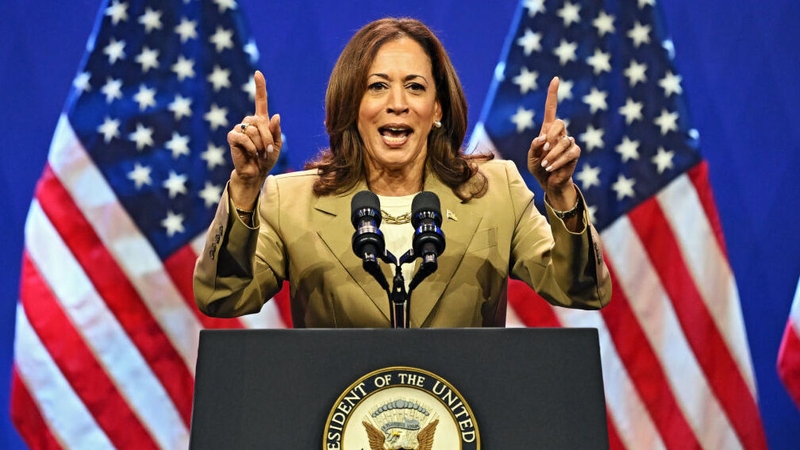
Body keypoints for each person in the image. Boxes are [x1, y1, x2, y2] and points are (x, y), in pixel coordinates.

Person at [193, 17, 611, 327]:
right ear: (352, 106)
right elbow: (222, 296)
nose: (397, 103)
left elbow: (583, 290)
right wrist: (246, 187)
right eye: (377, 86)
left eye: (415, 87)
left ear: (437, 109)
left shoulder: (496, 192)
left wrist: (561, 193)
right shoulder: (292, 202)